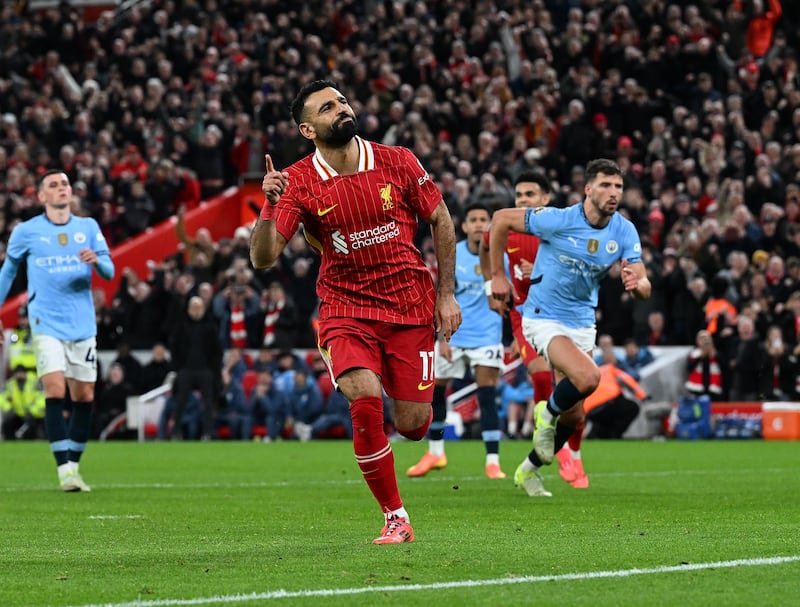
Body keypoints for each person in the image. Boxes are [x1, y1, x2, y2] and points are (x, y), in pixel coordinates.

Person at [250, 80, 461, 544]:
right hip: (346, 309)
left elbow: (441, 218)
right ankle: (395, 517)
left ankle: (403, 389)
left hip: (409, 307)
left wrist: (446, 295)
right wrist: (268, 206)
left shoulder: (398, 160)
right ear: (308, 129)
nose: (341, 109)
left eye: (342, 100)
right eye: (327, 107)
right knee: (365, 401)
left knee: (413, 425)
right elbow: (264, 258)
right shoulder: (297, 181)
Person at [488, 159, 651, 496]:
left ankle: (528, 469)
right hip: (541, 316)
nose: (613, 193)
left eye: (618, 186)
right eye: (605, 185)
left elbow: (644, 282)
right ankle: (545, 416)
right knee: (590, 377)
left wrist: (638, 285)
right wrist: (498, 277)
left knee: (575, 416)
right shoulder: (559, 220)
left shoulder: (624, 230)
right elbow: (500, 219)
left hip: (581, 322)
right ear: (588, 189)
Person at [0, 169, 115, 491]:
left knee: (84, 396)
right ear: (41, 196)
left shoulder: (88, 227)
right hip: (45, 321)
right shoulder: (26, 231)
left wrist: (96, 261)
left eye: (64, 183)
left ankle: (74, 466)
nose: (62, 188)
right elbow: (8, 272)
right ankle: (63, 468)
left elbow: (109, 270)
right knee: (54, 389)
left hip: (81, 322)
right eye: (54, 185)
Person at [482, 171, 589, 489]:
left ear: (545, 199)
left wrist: (543, 272)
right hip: (525, 315)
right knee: (542, 377)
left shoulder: (561, 229)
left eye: (530, 194)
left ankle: (571, 453)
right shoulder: (509, 228)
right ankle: (559, 449)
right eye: (519, 195)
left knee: (577, 401)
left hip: (564, 314)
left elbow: (582, 274)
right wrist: (493, 283)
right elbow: (486, 247)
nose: (523, 200)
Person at [407, 203, 506, 480]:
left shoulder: (500, 255)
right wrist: (441, 337)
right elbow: (440, 295)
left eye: (483, 219)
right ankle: (436, 453)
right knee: (435, 392)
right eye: (473, 219)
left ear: (490, 224)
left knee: (487, 396)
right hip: (453, 334)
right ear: (463, 226)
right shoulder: (454, 255)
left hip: (487, 335)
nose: (478, 224)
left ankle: (492, 461)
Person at [168, 296, 223, 440]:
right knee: (180, 402)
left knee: (208, 403)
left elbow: (217, 352)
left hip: (205, 371)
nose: (197, 311)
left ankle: (208, 432)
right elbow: (174, 348)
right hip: (186, 370)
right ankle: (176, 432)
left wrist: (213, 371)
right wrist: (178, 368)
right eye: (194, 308)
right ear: (188, 309)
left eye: (199, 308)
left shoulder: (211, 328)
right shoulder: (181, 326)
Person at [583, 349, 648, 439]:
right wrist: (643, 396)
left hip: (589, 409)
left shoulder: (594, 371)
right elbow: (628, 381)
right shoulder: (612, 369)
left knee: (607, 416)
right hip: (608, 401)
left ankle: (596, 434)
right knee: (632, 407)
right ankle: (614, 434)